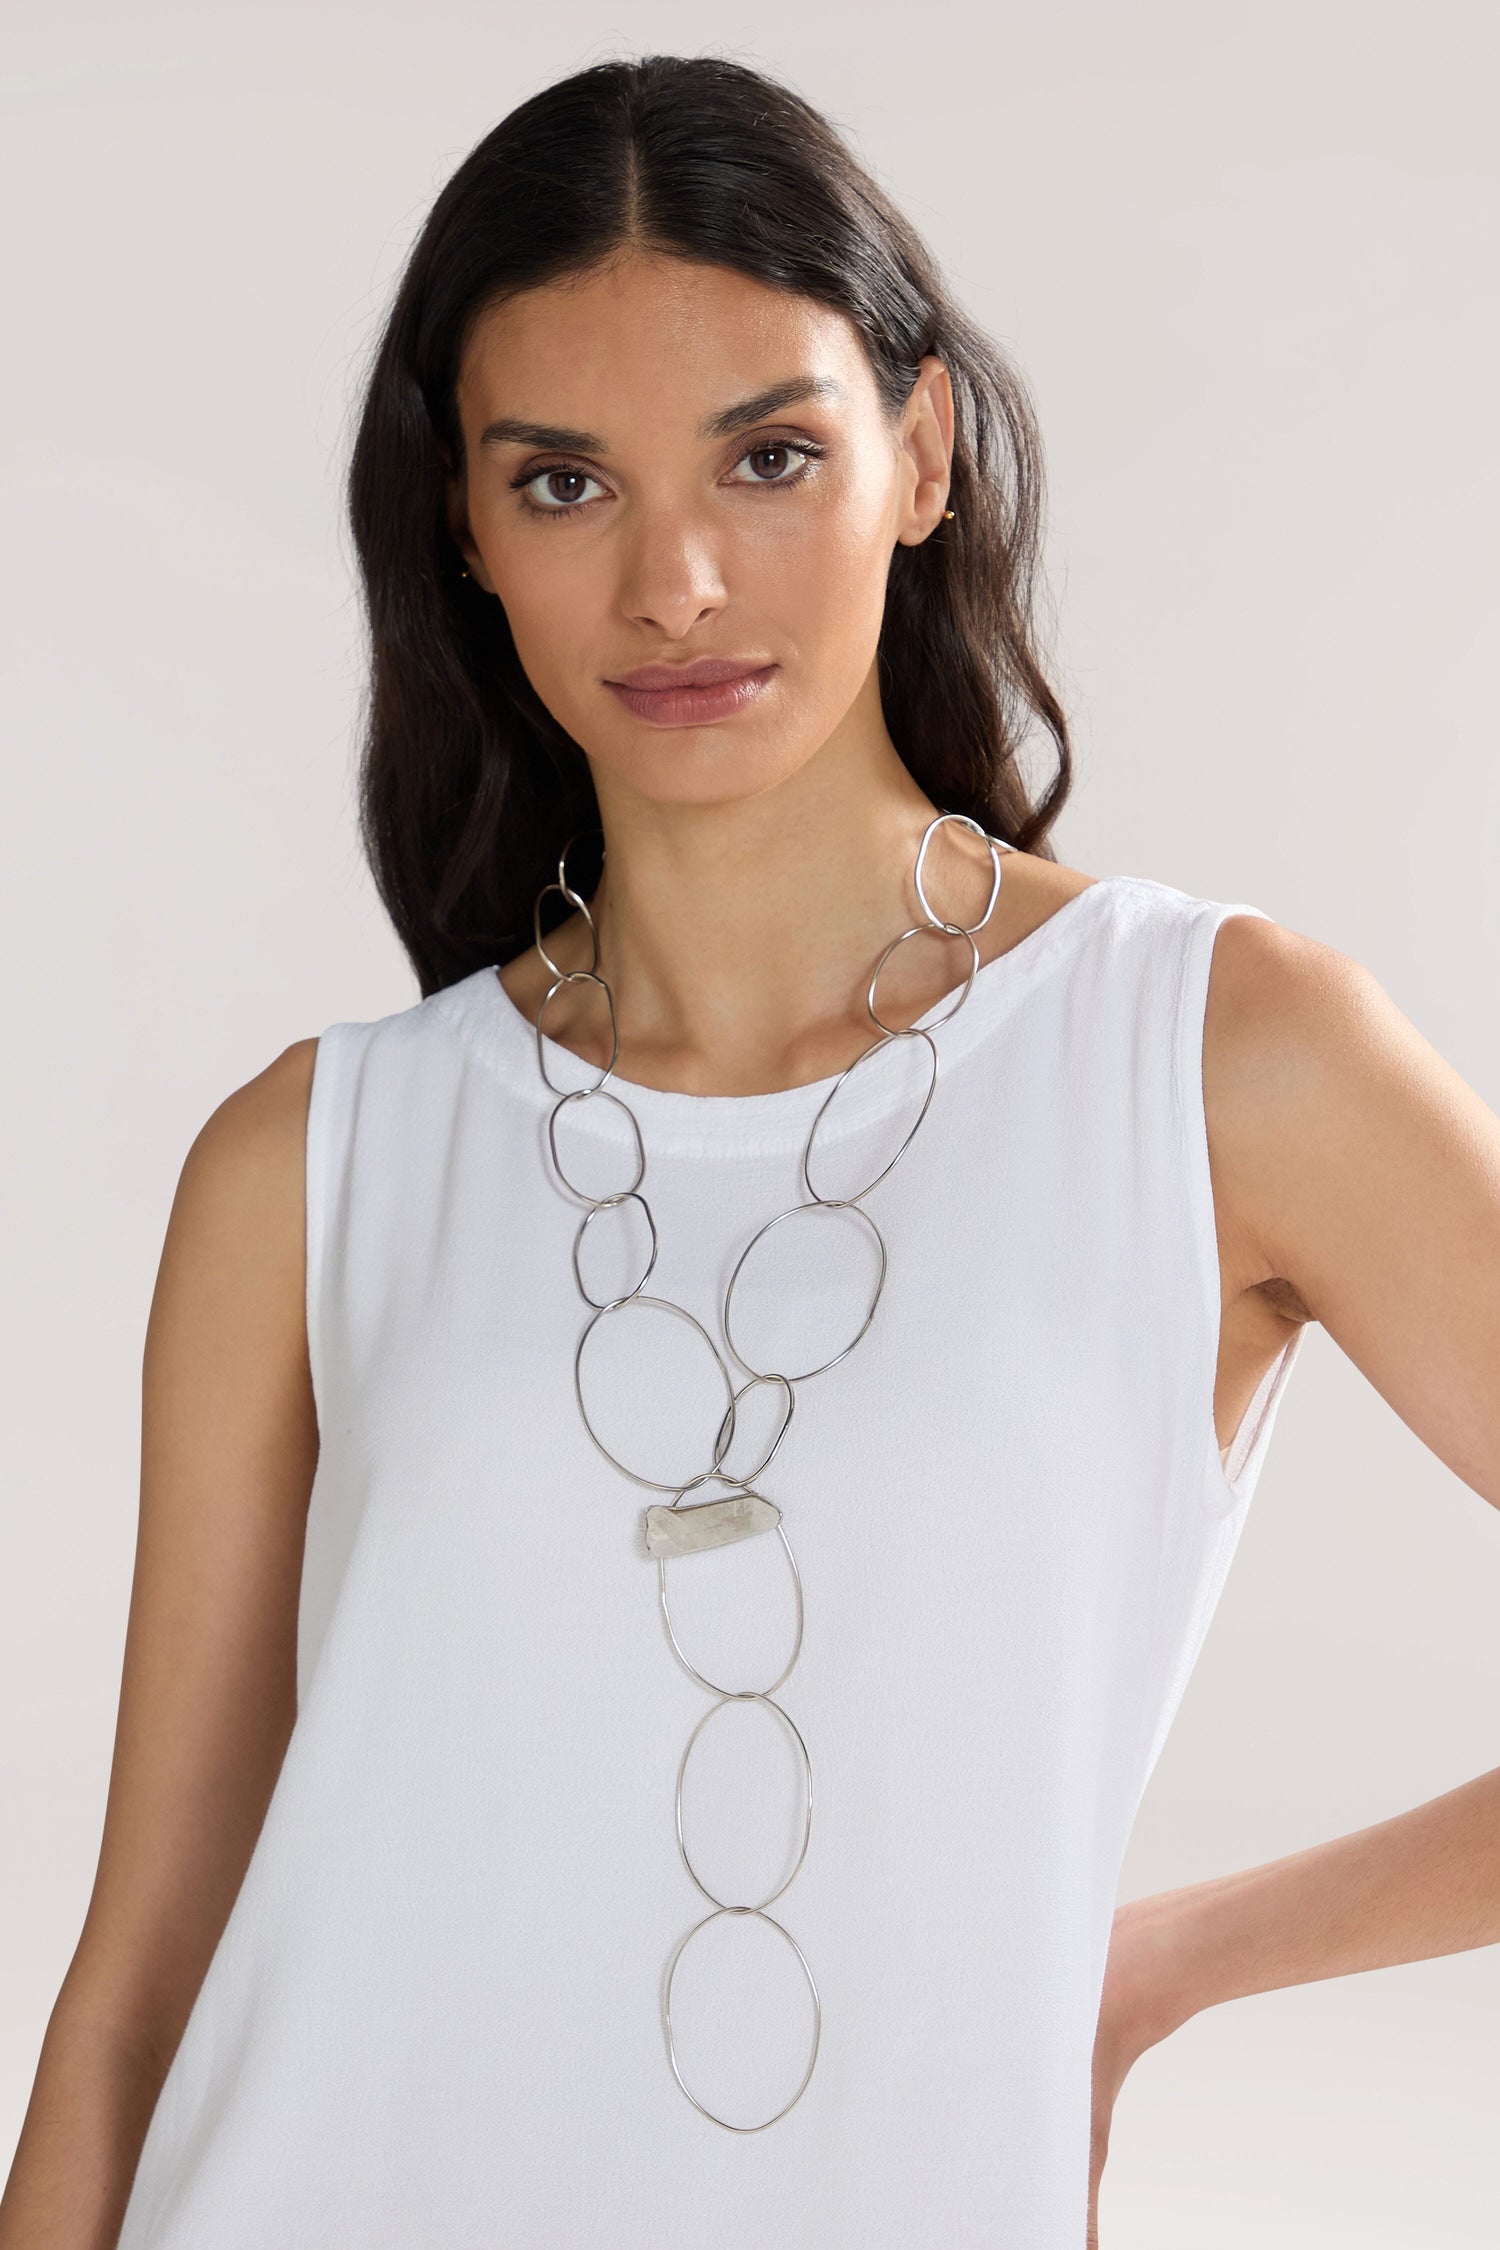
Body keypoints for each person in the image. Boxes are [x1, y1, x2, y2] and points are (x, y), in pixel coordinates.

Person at [3, 51, 1497, 2250]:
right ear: (467, 530)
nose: (679, 581)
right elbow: (135, 1992)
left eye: (771, 455)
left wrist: (1166, 1962)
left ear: (921, 452)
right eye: (565, 484)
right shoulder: (314, 1160)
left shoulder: (1212, 1054)